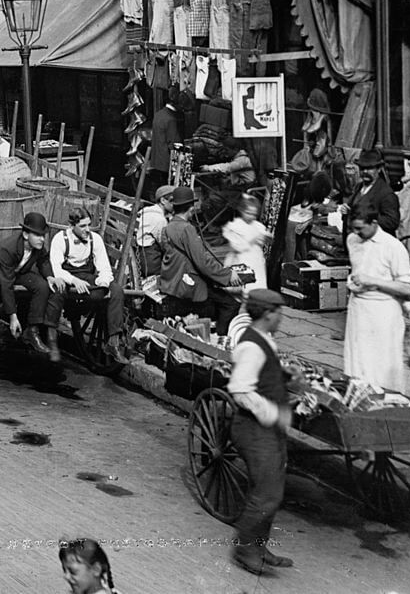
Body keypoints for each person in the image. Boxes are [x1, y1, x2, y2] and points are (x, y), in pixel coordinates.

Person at [226, 288, 296, 576]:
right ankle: (244, 549)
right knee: (266, 494)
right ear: (268, 314)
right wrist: (273, 412)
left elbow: (264, 375)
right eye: (279, 312)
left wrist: (287, 376)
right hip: (253, 428)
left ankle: (258, 546)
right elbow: (240, 390)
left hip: (267, 430)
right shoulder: (252, 346)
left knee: (272, 490)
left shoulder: (265, 340)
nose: (282, 318)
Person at [0, 210, 63, 360]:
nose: (42, 239)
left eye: (43, 235)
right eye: (38, 235)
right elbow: (6, 284)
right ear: (26, 235)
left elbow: (44, 261)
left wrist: (50, 277)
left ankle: (32, 331)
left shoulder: (38, 247)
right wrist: (13, 317)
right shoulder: (8, 248)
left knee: (42, 285)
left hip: (17, 271)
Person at [344, 209, 410, 393]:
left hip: (383, 311)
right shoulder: (352, 240)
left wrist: (373, 280)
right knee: (358, 362)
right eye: (353, 229)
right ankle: (359, 400)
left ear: (374, 223)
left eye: (360, 228)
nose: (357, 233)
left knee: (382, 365)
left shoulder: (393, 246)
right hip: (358, 308)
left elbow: (407, 288)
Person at [157, 187, 244, 333]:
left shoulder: (169, 227)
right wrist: (228, 275)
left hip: (173, 278)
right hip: (187, 281)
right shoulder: (186, 229)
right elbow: (202, 261)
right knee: (230, 305)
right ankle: (221, 340)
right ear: (191, 208)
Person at [222, 192, 270, 292]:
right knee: (244, 283)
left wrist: (265, 238)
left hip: (255, 258)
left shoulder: (258, 226)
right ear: (242, 211)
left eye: (254, 214)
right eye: (248, 213)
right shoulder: (236, 226)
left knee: (257, 280)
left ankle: (255, 297)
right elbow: (236, 246)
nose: (251, 217)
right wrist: (252, 240)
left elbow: (263, 239)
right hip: (241, 258)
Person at [351, 149, 401, 236]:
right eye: (362, 168)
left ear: (379, 169)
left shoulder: (386, 193)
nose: (365, 172)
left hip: (377, 243)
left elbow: (392, 222)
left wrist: (368, 216)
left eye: (369, 168)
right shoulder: (358, 187)